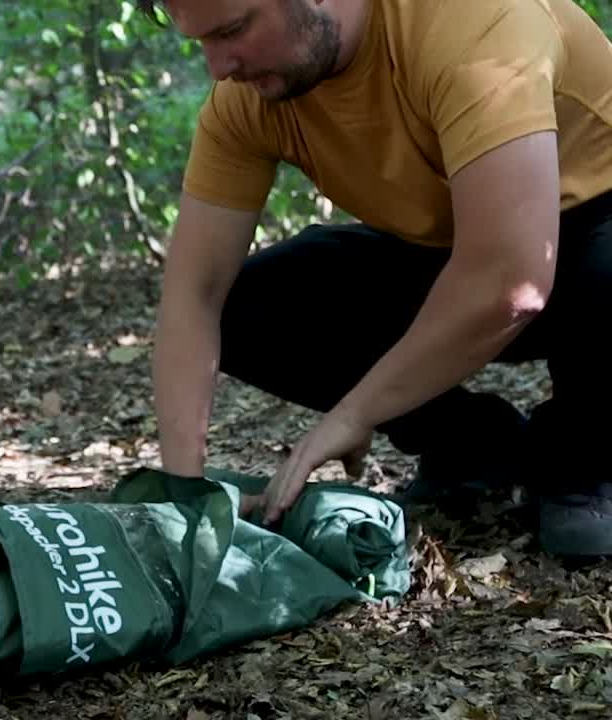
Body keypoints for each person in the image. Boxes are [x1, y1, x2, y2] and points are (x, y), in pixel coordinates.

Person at [141, 0, 612, 557]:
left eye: (234, 29)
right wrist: (185, 497)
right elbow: (193, 295)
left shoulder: (472, 25)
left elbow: (511, 280)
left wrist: (354, 413)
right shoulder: (247, 102)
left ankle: (586, 454)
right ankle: (476, 445)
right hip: (452, 250)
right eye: (202, 41)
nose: (218, 66)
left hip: (585, 238)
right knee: (248, 307)